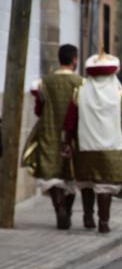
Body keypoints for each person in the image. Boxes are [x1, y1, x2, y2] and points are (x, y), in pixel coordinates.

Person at [63, 52, 122, 233]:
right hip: (112, 148)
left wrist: (67, 142)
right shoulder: (120, 95)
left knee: (87, 182)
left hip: (85, 146)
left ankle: (88, 215)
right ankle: (104, 221)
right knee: (105, 185)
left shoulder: (79, 93)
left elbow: (69, 122)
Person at [24, 44, 83, 229]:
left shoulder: (45, 81)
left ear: (59, 59)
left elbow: (39, 109)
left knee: (52, 175)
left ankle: (59, 209)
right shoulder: (81, 82)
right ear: (74, 60)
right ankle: (67, 209)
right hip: (73, 135)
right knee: (70, 176)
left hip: (49, 131)